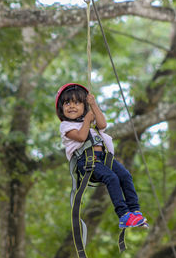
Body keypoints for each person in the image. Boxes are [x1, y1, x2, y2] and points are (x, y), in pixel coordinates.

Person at [56, 83, 148, 229]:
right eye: (67, 103)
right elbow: (80, 137)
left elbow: (102, 123)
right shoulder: (66, 126)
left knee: (125, 175)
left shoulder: (89, 122)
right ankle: (124, 215)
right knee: (111, 178)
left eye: (77, 103)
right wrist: (87, 120)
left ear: (83, 106)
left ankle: (134, 210)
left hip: (103, 157)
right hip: (86, 160)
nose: (71, 106)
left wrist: (93, 105)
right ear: (61, 108)